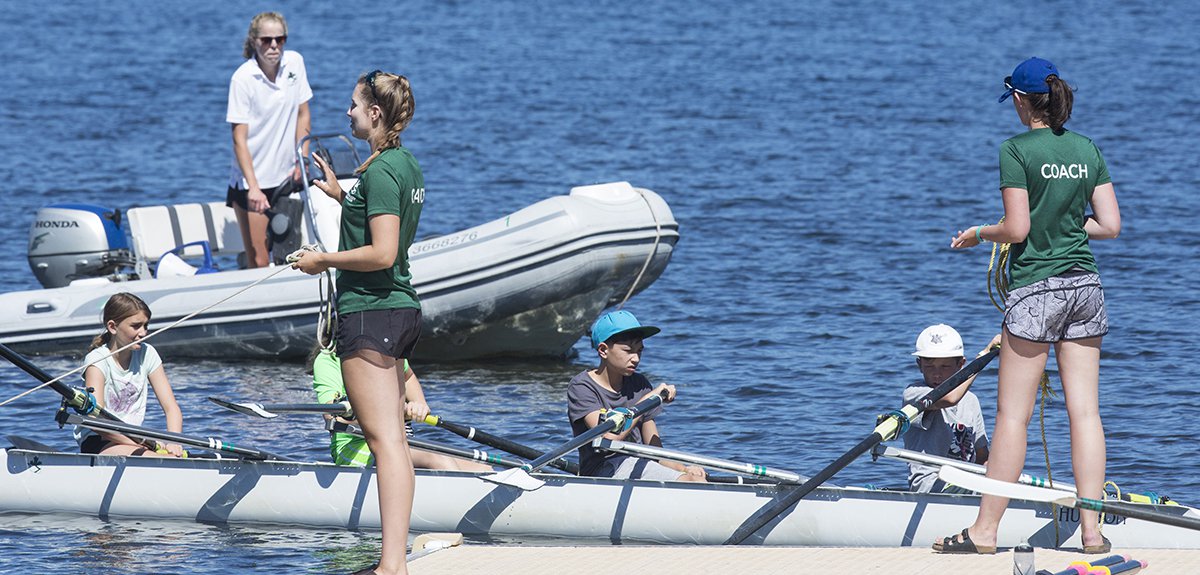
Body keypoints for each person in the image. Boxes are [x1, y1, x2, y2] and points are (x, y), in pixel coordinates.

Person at [936, 57, 1121, 555]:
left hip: (1037, 290)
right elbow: (1109, 225)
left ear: (1020, 99)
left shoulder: (1015, 150)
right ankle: (1092, 533)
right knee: (1086, 413)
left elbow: (1015, 230)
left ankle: (985, 533)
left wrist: (979, 233)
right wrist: (1063, 225)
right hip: (1086, 286)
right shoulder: (1086, 148)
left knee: (1011, 418)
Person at [291, 69, 422, 575]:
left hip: (371, 313)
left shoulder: (381, 171)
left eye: (353, 105)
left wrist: (323, 260)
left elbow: (385, 251)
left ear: (374, 113)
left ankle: (391, 565)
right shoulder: (402, 164)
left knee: (384, 443)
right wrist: (341, 198)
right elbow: (382, 223)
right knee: (394, 442)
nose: (345, 112)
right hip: (397, 311)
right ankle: (394, 561)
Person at [567, 310, 707, 482]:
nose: (636, 359)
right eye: (628, 350)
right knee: (691, 484)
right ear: (603, 350)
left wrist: (685, 469)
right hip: (603, 470)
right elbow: (609, 437)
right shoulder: (582, 387)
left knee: (694, 479)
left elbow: (654, 450)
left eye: (639, 351)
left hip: (639, 464)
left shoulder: (639, 384)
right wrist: (650, 399)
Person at [308, 346, 491, 471]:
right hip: (354, 447)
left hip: (401, 441)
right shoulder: (329, 359)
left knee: (483, 468)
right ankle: (451, 524)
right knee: (438, 460)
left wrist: (419, 403)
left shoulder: (388, 350)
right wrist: (392, 410)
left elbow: (408, 375)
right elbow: (334, 417)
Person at [227, 11, 312, 269]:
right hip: (253, 182)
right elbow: (238, 139)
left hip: (288, 176)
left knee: (290, 253)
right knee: (260, 259)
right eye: (266, 40)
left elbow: (303, 114)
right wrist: (253, 187)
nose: (274, 46)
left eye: (280, 39)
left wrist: (303, 160)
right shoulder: (242, 79)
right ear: (254, 41)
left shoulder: (295, 63)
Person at [73, 293, 184, 458]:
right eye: (136, 326)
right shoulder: (97, 361)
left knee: (173, 456)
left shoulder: (148, 354)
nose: (143, 332)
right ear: (113, 327)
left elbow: (171, 407)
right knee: (163, 458)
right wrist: (142, 444)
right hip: (100, 441)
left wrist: (174, 441)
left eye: (146, 326)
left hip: (136, 440)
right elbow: (97, 422)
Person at [902, 324, 999, 493]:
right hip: (931, 485)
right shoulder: (914, 394)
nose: (937, 374)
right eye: (930, 366)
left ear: (960, 364)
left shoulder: (971, 401)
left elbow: (983, 456)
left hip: (966, 483)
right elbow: (949, 398)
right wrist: (984, 356)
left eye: (945, 366)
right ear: (919, 365)